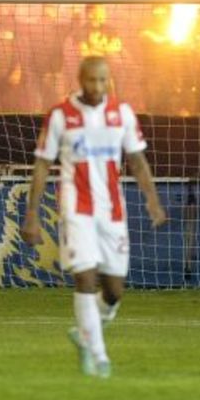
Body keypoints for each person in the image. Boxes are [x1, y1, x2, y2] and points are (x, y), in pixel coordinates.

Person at [21, 56, 166, 378]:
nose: (97, 87)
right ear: (80, 79)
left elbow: (137, 160)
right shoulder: (61, 115)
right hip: (76, 209)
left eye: (103, 81)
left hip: (112, 211)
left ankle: (86, 332)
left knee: (114, 291)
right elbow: (43, 164)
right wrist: (31, 214)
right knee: (85, 278)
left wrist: (152, 200)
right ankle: (99, 357)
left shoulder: (122, 114)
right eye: (91, 81)